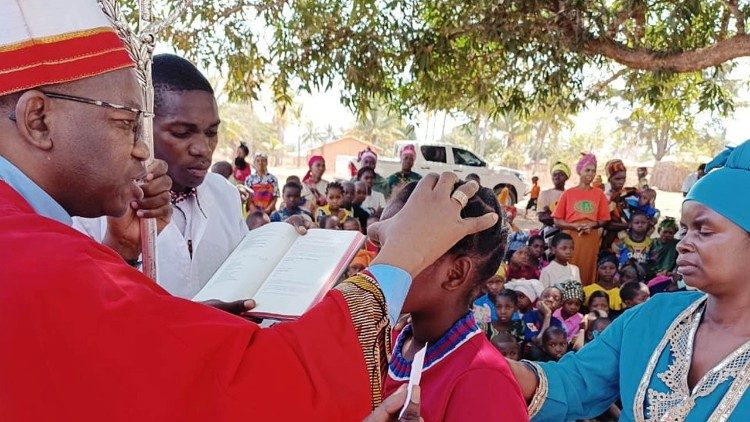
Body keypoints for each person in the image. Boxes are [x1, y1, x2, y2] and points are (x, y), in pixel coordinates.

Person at [0, 6, 502, 418]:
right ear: (38, 120)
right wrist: (403, 255)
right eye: (127, 123)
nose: (140, 151)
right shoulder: (38, 260)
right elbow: (263, 388)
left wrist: (140, 271)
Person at [509, 141, 750, 421]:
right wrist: (483, 365)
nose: (683, 243)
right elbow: (574, 382)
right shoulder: (653, 316)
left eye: (704, 230)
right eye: (684, 229)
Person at [73, 54, 248, 299]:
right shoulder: (91, 209)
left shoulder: (225, 194)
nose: (203, 148)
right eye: (181, 133)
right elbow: (84, 307)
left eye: (211, 132)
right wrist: (121, 249)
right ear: (141, 127)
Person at [381, 181, 527, 421]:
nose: (380, 261)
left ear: (455, 273)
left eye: (399, 247)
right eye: (381, 245)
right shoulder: (388, 340)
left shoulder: (483, 380)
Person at [553, 153, 610, 285]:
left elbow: (604, 220)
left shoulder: (599, 194)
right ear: (580, 171)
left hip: (590, 239)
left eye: (593, 171)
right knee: (569, 267)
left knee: (588, 267)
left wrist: (592, 224)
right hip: (570, 238)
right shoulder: (568, 193)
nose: (590, 174)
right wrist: (574, 226)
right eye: (587, 170)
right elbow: (557, 221)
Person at [601, 158, 639, 254]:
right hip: (608, 242)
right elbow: (606, 224)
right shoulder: (604, 197)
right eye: (617, 179)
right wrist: (629, 225)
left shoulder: (629, 194)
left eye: (623, 178)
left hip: (628, 241)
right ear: (609, 178)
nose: (621, 182)